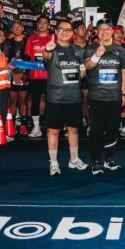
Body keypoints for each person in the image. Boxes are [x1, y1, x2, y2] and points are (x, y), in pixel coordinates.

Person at [42, 20, 88, 175]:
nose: (65, 32)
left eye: (68, 29)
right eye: (61, 29)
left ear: (72, 32)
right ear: (56, 32)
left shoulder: (78, 50)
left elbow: (82, 71)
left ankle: (74, 159)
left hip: (74, 96)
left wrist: (75, 75)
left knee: (73, 130)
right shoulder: (52, 47)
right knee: (53, 131)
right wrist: (46, 49)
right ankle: (54, 163)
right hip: (56, 98)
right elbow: (46, 56)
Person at [85, 19, 125, 175]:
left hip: (114, 96)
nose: (104, 32)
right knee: (96, 130)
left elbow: (123, 72)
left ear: (112, 31)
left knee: (112, 130)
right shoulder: (91, 48)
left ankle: (109, 159)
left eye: (107, 29)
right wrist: (97, 55)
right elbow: (88, 65)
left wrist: (123, 93)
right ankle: (95, 161)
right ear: (97, 31)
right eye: (101, 29)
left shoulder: (120, 49)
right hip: (96, 96)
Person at [24, 16, 53, 137]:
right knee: (35, 101)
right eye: (40, 23)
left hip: (50, 77)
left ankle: (52, 127)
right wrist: (25, 74)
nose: (42, 25)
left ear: (49, 25)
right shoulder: (31, 39)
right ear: (37, 24)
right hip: (35, 76)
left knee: (52, 102)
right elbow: (27, 57)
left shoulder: (53, 38)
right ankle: (36, 128)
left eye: (45, 23)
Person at [3, 20, 28, 134]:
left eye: (19, 27)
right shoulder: (8, 43)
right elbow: (5, 60)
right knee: (12, 100)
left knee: (23, 100)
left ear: (23, 28)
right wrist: (13, 75)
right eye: (15, 27)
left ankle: (23, 125)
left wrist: (22, 74)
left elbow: (30, 59)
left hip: (25, 75)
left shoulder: (27, 41)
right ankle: (11, 125)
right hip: (11, 74)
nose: (17, 29)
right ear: (12, 29)